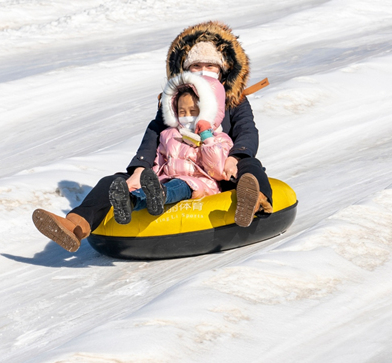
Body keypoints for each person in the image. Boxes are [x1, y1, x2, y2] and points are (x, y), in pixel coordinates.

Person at [32, 21, 273, 253]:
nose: (203, 72)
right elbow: (154, 135)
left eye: (210, 67)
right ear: (184, 71)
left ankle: (254, 199)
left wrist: (237, 156)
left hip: (216, 169)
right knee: (116, 180)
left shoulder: (235, 101)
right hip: (172, 168)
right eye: (195, 67)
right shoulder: (174, 102)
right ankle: (76, 224)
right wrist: (141, 167)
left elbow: (247, 130)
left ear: (222, 70)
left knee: (250, 166)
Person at [108, 71, 233, 225]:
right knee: (155, 189)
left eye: (193, 112)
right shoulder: (168, 135)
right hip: (165, 180)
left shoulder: (218, 138)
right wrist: (144, 181)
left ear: (206, 111)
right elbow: (159, 163)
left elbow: (218, 169)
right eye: (182, 112)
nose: (187, 116)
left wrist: (206, 136)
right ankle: (131, 201)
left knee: (182, 184)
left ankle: (160, 194)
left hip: (200, 184)